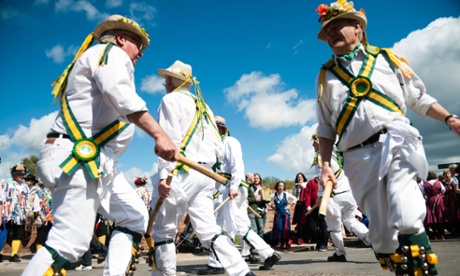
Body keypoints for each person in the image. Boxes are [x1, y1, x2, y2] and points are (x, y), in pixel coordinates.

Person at [23, 14, 177, 276]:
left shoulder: (102, 57)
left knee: (134, 216)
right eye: (138, 45)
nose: (140, 53)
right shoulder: (110, 54)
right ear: (120, 39)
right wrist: (160, 135)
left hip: (99, 163)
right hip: (78, 158)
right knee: (69, 242)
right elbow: (121, 95)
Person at [314, 0, 460, 274]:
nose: (330, 33)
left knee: (406, 213)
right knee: (381, 236)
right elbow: (325, 127)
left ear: (357, 27)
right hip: (357, 157)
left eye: (336, 26)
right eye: (327, 30)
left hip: (397, 140)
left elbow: (418, 98)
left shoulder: (386, 58)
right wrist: (325, 165)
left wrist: (450, 119)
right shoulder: (326, 76)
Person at [151, 60, 254, 276]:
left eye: (166, 81)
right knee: (209, 230)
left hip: (181, 172)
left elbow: (169, 141)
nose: (165, 85)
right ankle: (242, 272)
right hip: (205, 174)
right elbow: (217, 146)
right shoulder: (204, 106)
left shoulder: (170, 100)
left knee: (164, 231)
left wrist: (164, 175)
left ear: (171, 81)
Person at [197, 116, 281, 275]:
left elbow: (237, 165)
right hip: (224, 188)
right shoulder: (214, 145)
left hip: (231, 188)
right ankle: (269, 254)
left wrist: (234, 186)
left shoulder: (230, 142)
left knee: (222, 226)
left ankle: (217, 263)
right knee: (240, 225)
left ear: (221, 128)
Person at [311, 132, 370, 262]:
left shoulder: (321, 158)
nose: (312, 145)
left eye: (314, 142)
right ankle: (374, 242)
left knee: (334, 227)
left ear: (320, 142)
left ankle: (340, 253)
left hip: (332, 196)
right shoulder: (337, 153)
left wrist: (320, 197)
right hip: (348, 194)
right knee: (351, 221)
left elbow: (323, 180)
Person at [1, 164, 29, 263]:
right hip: (7, 214)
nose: (21, 176)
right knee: (4, 233)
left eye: (22, 174)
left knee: (18, 234)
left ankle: (14, 255)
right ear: (14, 175)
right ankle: (0, 254)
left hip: (20, 215)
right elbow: (2, 200)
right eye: (18, 174)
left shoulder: (25, 188)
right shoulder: (7, 185)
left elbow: (27, 201)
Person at [269, 181, 297, 249]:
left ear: (284, 187)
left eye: (282, 186)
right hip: (278, 214)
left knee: (286, 228)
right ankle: (281, 242)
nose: (281, 187)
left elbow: (295, 199)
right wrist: (272, 207)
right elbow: (266, 199)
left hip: (285, 214)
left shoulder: (286, 194)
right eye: (279, 185)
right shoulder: (274, 195)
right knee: (279, 228)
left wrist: (290, 206)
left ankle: (287, 242)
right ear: (277, 186)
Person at [423, 171, 446, 240]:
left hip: (430, 200)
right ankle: (441, 234)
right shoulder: (438, 182)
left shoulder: (425, 184)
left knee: (432, 217)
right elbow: (443, 190)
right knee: (440, 216)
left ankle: (435, 234)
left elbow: (423, 192)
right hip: (439, 199)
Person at [134, 176, 154, 251]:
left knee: (137, 230)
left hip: (138, 212)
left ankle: (136, 248)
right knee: (147, 231)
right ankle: (151, 247)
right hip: (148, 212)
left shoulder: (136, 191)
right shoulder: (149, 192)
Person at [291, 172, 308, 245]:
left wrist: (300, 184)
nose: (299, 178)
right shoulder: (295, 187)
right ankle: (299, 237)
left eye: (301, 177)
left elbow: (305, 186)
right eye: (298, 177)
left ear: (303, 178)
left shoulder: (306, 184)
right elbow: (293, 196)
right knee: (299, 222)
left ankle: (303, 237)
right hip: (298, 205)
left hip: (304, 205)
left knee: (303, 222)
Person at [442, 169, 458, 236]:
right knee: (449, 215)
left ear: (450, 174)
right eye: (445, 174)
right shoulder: (442, 183)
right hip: (447, 200)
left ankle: (456, 229)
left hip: (455, 200)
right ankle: (451, 229)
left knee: (456, 214)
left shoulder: (454, 180)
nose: (447, 175)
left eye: (448, 173)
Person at [253, 173, 269, 238]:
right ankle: (259, 245)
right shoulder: (251, 187)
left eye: (257, 178)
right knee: (260, 229)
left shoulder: (263, 187)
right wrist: (257, 190)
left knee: (262, 229)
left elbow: (266, 198)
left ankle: (260, 244)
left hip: (264, 209)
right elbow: (252, 196)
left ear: (260, 180)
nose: (256, 179)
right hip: (257, 210)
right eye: (254, 178)